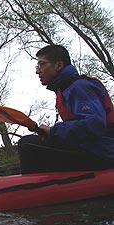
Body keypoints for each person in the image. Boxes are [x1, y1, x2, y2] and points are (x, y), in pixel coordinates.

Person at [17, 45, 114, 174]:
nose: (37, 71)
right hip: (90, 149)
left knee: (28, 144)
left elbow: (95, 123)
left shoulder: (79, 87)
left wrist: (54, 131)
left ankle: (34, 190)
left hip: (102, 154)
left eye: (42, 64)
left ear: (59, 65)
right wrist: (51, 134)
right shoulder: (66, 89)